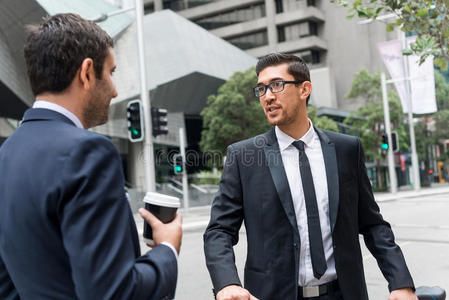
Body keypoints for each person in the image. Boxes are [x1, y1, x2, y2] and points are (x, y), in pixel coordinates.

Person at [203, 53, 417, 300]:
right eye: (261, 89)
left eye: (276, 85)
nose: (268, 96)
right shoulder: (244, 157)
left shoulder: (346, 150)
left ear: (304, 89)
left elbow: (372, 224)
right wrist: (227, 284)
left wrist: (401, 282)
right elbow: (219, 230)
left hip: (343, 294)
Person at [0, 13, 182, 300]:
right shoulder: (89, 153)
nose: (114, 89)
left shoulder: (6, 154)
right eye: (110, 72)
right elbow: (114, 292)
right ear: (86, 72)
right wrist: (166, 250)